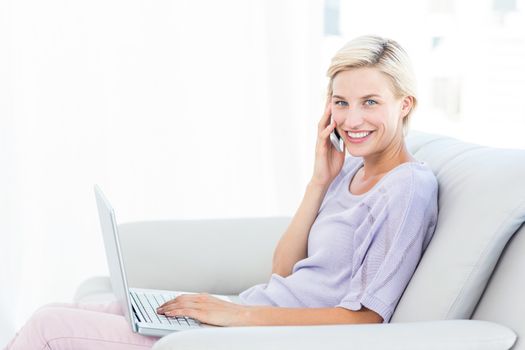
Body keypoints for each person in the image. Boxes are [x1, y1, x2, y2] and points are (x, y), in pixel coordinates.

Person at [5, 35, 438, 349]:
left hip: (262, 331)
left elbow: (365, 320)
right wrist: (319, 181)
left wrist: (236, 317)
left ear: (405, 105)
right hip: (249, 315)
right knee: (81, 310)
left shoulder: (407, 188)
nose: (351, 118)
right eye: (341, 102)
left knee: (48, 326)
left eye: (370, 102)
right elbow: (285, 272)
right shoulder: (348, 172)